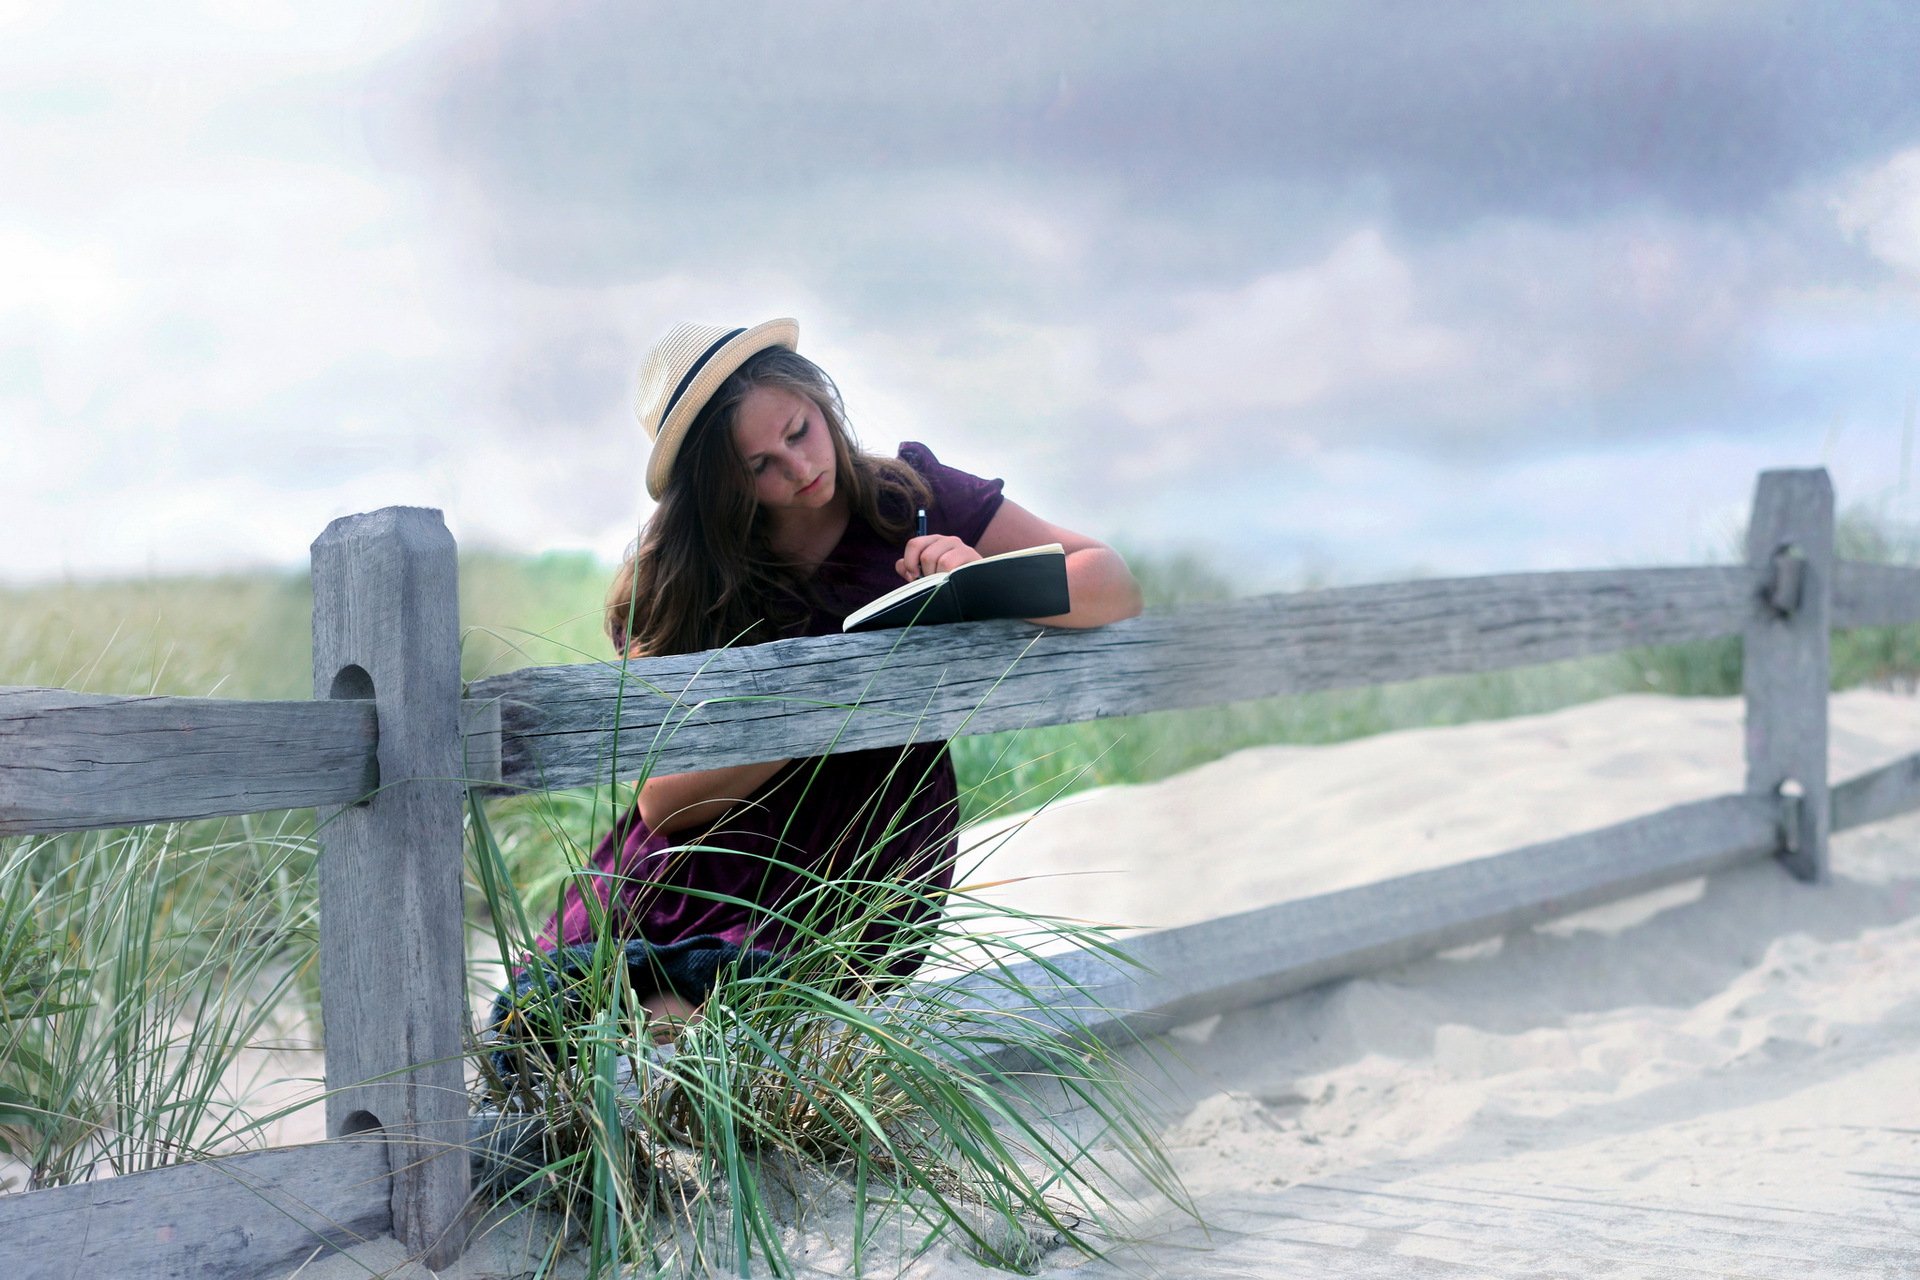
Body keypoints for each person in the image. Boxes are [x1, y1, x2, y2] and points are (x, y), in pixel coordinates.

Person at [513, 317, 1142, 1046]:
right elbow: (662, 800)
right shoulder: (682, 573)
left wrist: (983, 578)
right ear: (719, 484)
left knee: (725, 1045)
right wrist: (836, 693)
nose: (799, 466)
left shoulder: (909, 499)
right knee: (609, 1036)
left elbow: (1113, 583)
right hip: (711, 870)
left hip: (865, 847)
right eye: (759, 466)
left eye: (799, 431)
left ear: (819, 399)